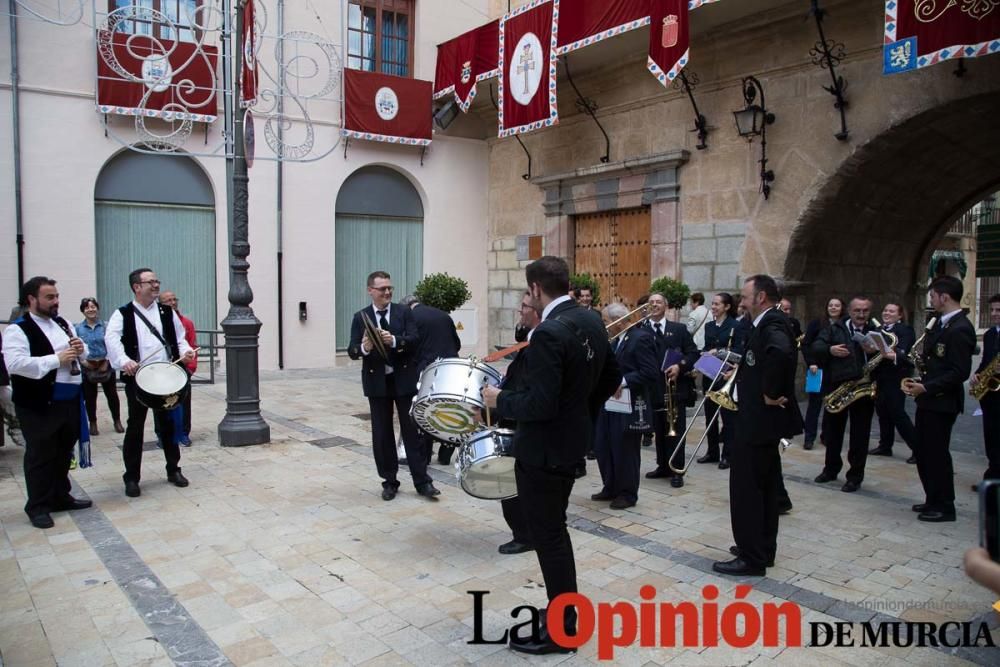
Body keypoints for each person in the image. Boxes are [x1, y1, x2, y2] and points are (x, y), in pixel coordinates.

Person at [482, 256, 620, 655]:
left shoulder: (549, 333)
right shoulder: (590, 319)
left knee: (550, 537)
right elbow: (612, 374)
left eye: (528, 292)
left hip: (544, 452)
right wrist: (581, 416)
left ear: (538, 290)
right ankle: (562, 614)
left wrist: (499, 398)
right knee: (553, 534)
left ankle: (564, 630)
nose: (527, 298)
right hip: (568, 444)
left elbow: (539, 405)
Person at [713, 274, 802, 576]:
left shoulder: (772, 323)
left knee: (748, 491)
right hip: (759, 423)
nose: (742, 300)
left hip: (755, 423)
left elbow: (781, 353)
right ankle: (761, 548)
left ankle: (751, 557)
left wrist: (770, 392)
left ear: (761, 297)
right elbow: (765, 358)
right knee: (763, 490)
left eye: (745, 295)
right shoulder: (768, 321)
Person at [3, 276, 92, 529]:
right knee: (40, 455)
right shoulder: (17, 329)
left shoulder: (62, 323)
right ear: (32, 299)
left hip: (69, 400)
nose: (56, 302)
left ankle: (60, 496)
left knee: (64, 452)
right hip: (39, 403)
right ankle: (38, 505)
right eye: (49, 297)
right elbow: (16, 365)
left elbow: (83, 355)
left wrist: (79, 347)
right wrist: (56, 359)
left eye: (57, 296)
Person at [347, 271, 439, 501]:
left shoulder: (403, 312)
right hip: (377, 382)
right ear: (370, 291)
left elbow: (415, 340)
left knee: (412, 431)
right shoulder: (361, 317)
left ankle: (422, 481)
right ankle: (389, 481)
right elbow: (352, 350)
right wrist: (365, 347)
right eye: (382, 289)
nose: (387, 292)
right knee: (382, 433)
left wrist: (395, 340)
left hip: (403, 379)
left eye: (390, 288)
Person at [105, 268, 196, 498]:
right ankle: (132, 477)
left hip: (166, 376)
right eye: (151, 282)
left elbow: (180, 339)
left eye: (157, 281)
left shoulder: (167, 312)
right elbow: (112, 341)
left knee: (168, 426)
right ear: (137, 287)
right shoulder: (122, 314)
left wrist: (185, 352)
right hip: (138, 379)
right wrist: (125, 361)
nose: (156, 285)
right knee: (135, 427)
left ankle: (173, 469)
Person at [902, 276, 976, 522]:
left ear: (944, 297)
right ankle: (932, 498)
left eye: (933, 296)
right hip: (929, 399)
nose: (931, 300)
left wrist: (927, 387)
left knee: (937, 454)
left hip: (942, 401)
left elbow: (959, 372)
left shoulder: (961, 328)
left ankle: (945, 506)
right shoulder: (940, 324)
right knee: (924, 452)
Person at [812, 296, 880, 493]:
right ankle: (830, 469)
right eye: (857, 310)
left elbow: (889, 356)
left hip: (863, 389)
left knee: (860, 435)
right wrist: (830, 349)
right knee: (833, 433)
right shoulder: (834, 328)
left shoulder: (875, 331)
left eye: (865, 311)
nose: (861, 315)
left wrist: (874, 352)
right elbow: (816, 347)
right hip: (839, 385)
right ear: (849, 311)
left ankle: (855, 476)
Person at [593, 302, 658, 509]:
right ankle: (610, 486)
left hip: (629, 404)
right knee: (605, 446)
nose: (604, 325)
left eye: (605, 322)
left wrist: (621, 381)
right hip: (609, 403)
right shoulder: (613, 340)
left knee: (625, 450)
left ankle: (627, 493)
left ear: (617, 322)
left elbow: (650, 372)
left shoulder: (640, 338)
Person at [495, 290, 541, 555]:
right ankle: (525, 532)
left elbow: (527, 390)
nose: (519, 311)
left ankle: (524, 535)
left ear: (535, 312)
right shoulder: (529, 339)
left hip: (520, 423)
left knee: (512, 483)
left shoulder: (538, 344)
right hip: (514, 418)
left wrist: (498, 399)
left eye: (523, 306)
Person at [400, 294, 462, 465]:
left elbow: (409, 347)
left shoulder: (410, 317)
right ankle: (445, 453)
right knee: (449, 409)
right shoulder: (443, 315)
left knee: (426, 411)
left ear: (406, 307)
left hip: (427, 369)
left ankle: (425, 455)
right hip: (451, 367)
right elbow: (456, 344)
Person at [644, 292, 698, 488]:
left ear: (666, 306)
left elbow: (693, 353)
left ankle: (677, 470)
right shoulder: (641, 330)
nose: (655, 305)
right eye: (651, 302)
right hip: (654, 389)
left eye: (659, 302)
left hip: (675, 388)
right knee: (659, 429)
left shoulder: (679, 329)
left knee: (676, 431)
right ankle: (662, 466)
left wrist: (680, 367)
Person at [868, 302, 918, 459]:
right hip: (880, 375)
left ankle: (918, 448)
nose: (887, 313)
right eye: (885, 310)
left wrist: (887, 352)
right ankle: (885, 446)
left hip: (896, 375)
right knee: (882, 411)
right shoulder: (878, 329)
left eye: (891, 311)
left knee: (897, 413)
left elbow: (904, 352)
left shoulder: (905, 330)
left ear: (900, 315)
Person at [697, 292, 737, 468]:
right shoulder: (710, 326)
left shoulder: (735, 325)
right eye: (712, 304)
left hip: (726, 375)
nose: (713, 307)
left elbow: (738, 351)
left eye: (717, 304)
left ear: (727, 307)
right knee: (710, 417)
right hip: (711, 374)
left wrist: (718, 351)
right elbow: (707, 347)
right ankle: (712, 452)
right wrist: (704, 354)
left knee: (727, 419)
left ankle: (728, 454)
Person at [75, 298, 124, 437]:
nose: (90, 310)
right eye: (87, 307)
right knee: (90, 397)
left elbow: (113, 344)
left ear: (97, 308)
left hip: (105, 364)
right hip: (88, 365)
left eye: (93, 306)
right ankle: (93, 422)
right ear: (83, 311)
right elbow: (76, 348)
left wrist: (107, 361)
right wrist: (84, 362)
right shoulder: (78, 328)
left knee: (112, 395)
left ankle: (117, 420)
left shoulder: (106, 326)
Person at [802, 297, 845, 450]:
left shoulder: (845, 324)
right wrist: (811, 362)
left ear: (842, 308)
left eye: (837, 305)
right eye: (831, 305)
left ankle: (827, 435)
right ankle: (809, 437)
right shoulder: (817, 323)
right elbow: (806, 344)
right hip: (817, 368)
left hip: (837, 370)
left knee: (832, 403)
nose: (833, 308)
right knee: (814, 404)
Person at [156, 291, 197, 447]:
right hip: (163, 369)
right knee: (160, 403)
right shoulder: (157, 322)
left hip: (182, 368)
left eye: (174, 299)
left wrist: (191, 367)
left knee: (184, 402)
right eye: (168, 300)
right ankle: (162, 435)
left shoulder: (186, 323)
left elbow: (191, 345)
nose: (172, 302)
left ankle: (184, 433)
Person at [971, 294, 1000, 488]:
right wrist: (978, 374)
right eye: (992, 310)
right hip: (990, 393)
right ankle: (993, 474)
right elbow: (985, 361)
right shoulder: (990, 334)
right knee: (991, 436)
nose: (994, 314)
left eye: (999, 310)